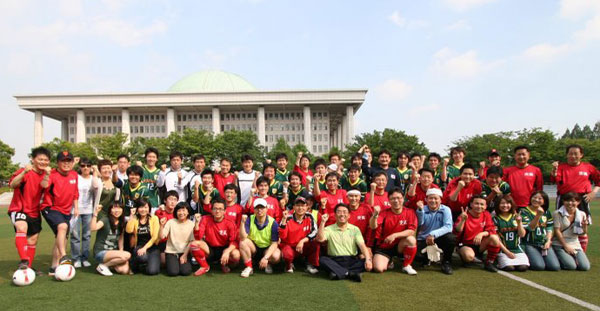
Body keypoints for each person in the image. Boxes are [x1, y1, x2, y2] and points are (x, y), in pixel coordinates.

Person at [8, 146, 52, 270]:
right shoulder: (24, 171)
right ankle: (24, 259)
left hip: (34, 211)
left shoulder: (46, 174)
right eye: (40, 159)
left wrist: (47, 175)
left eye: (46, 160)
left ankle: (28, 267)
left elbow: (44, 185)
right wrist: (23, 173)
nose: (43, 162)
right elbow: (13, 184)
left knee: (33, 240)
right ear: (33, 159)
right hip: (19, 208)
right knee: (22, 227)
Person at [551, 144, 599, 252]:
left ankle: (581, 252)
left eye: (576, 153)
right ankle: (562, 249)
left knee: (582, 224)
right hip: (564, 198)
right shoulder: (561, 167)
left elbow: (598, 181)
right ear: (567, 155)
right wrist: (554, 170)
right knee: (561, 224)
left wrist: (593, 192)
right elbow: (554, 179)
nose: (573, 156)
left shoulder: (588, 167)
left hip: (582, 198)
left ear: (581, 155)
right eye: (570, 153)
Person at [41, 151, 79, 275]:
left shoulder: (74, 175)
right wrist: (46, 175)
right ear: (57, 163)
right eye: (63, 161)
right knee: (62, 227)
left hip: (66, 211)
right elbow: (44, 185)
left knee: (62, 238)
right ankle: (63, 256)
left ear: (72, 163)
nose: (66, 163)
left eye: (69, 161)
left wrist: (76, 207)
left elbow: (75, 193)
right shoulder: (51, 174)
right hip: (51, 208)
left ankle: (54, 266)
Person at [317, 204, 373, 282]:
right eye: (339, 212)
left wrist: (368, 260)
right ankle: (349, 273)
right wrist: (323, 222)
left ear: (349, 215)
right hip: (335, 260)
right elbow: (320, 239)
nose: (342, 214)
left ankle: (337, 273)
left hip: (351, 260)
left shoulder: (355, 229)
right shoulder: (328, 229)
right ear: (335, 215)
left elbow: (362, 245)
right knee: (322, 260)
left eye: (344, 212)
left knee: (366, 260)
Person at [370, 188, 418, 275]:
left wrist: (395, 235)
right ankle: (389, 261)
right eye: (393, 198)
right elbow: (373, 226)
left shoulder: (410, 212)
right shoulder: (384, 213)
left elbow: (411, 231)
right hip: (385, 246)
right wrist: (374, 215)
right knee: (378, 268)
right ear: (389, 200)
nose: (396, 201)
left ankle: (406, 265)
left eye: (399, 198)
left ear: (403, 199)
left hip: (400, 245)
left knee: (411, 240)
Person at [190, 198, 240, 275]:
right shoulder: (205, 219)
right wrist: (196, 223)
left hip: (224, 248)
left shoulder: (230, 222)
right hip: (210, 249)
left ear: (225, 211)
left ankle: (224, 264)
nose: (217, 211)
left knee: (236, 255)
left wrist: (227, 251)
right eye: (215, 209)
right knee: (194, 244)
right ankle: (204, 266)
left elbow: (234, 241)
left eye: (220, 209)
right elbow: (198, 237)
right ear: (211, 210)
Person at [453, 195, 501, 272]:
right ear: (471, 204)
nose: (479, 206)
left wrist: (481, 234)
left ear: (485, 206)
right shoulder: (465, 215)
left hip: (480, 243)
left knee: (495, 238)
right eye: (476, 203)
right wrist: (462, 220)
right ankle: (467, 257)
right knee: (468, 257)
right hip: (465, 244)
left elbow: (492, 230)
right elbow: (457, 230)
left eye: (482, 204)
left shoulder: (486, 214)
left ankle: (489, 262)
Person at [415, 188, 455, 275]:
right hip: (424, 239)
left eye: (436, 198)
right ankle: (427, 259)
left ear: (440, 200)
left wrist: (433, 234)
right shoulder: (422, 209)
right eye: (430, 198)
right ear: (426, 199)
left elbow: (448, 227)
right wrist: (420, 211)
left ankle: (446, 262)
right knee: (417, 257)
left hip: (439, 238)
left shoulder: (446, 210)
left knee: (451, 238)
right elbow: (419, 224)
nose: (433, 200)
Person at [239, 198, 282, 277]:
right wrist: (242, 223)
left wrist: (266, 258)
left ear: (266, 209)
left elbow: (274, 244)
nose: (259, 210)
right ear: (254, 209)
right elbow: (242, 237)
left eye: (262, 208)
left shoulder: (273, 222)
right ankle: (249, 267)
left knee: (276, 256)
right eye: (257, 208)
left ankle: (268, 263)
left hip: (267, 248)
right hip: (254, 247)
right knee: (243, 242)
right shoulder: (250, 219)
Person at [519, 191, 560, 271]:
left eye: (540, 198)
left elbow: (549, 227)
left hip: (543, 243)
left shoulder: (546, 212)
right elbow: (530, 228)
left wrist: (548, 241)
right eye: (534, 197)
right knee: (539, 266)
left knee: (555, 267)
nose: (536, 200)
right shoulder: (524, 211)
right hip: (529, 243)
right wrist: (538, 215)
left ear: (544, 201)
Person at [279, 197, 319, 274]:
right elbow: (282, 236)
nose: (300, 208)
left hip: (303, 245)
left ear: (307, 207)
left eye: (303, 205)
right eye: (298, 205)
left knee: (315, 243)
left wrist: (302, 241)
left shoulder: (310, 216)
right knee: (287, 254)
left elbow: (314, 231)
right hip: (290, 245)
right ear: (294, 207)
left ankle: (309, 264)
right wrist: (284, 220)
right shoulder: (287, 218)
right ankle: (288, 265)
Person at [551, 192, 590, 271]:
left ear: (578, 202)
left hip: (574, 243)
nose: (570, 203)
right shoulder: (557, 213)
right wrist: (566, 246)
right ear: (563, 201)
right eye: (567, 201)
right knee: (571, 266)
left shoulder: (582, 214)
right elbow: (557, 231)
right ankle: (556, 255)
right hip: (559, 243)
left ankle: (568, 257)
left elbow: (582, 233)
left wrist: (584, 226)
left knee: (585, 267)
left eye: (573, 201)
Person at [91, 202, 131, 276]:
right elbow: (93, 228)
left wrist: (121, 251)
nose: (116, 210)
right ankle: (103, 266)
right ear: (110, 210)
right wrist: (95, 214)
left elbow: (121, 238)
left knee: (124, 270)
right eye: (114, 208)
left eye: (119, 208)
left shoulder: (121, 222)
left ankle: (108, 264)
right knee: (127, 255)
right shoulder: (105, 220)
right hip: (101, 252)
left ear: (122, 210)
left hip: (113, 252)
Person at [71, 157, 97, 268]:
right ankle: (76, 258)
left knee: (86, 235)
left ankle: (85, 258)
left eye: (88, 165)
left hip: (88, 210)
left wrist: (95, 170)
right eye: (83, 166)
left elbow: (97, 185)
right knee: (75, 235)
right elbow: (68, 173)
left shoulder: (93, 178)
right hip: (75, 210)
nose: (85, 168)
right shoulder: (76, 177)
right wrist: (74, 163)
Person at [492, 196, 529, 272]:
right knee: (509, 268)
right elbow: (497, 239)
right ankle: (497, 260)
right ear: (498, 205)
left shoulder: (516, 217)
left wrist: (519, 223)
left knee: (523, 268)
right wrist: (507, 252)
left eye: (508, 203)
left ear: (512, 204)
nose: (505, 205)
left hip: (517, 249)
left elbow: (522, 235)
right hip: (502, 250)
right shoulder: (495, 219)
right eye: (502, 203)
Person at [126, 199, 160, 275]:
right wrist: (131, 215)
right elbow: (129, 230)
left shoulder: (154, 218)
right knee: (143, 257)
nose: (143, 210)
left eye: (145, 207)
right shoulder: (135, 218)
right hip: (139, 246)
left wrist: (145, 248)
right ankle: (134, 262)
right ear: (137, 208)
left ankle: (144, 266)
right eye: (141, 207)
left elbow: (155, 237)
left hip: (153, 247)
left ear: (149, 208)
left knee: (152, 271)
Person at [160, 202, 195, 276]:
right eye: (179, 210)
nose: (181, 213)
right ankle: (171, 263)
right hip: (171, 252)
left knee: (185, 272)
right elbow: (162, 236)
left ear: (188, 212)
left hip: (185, 252)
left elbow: (191, 241)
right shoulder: (171, 222)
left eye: (183, 210)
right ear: (176, 212)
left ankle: (180, 263)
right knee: (173, 272)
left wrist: (185, 255)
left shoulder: (191, 224)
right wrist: (161, 226)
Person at [155, 190, 179, 265]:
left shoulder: (178, 213)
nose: (172, 202)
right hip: (163, 242)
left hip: (175, 241)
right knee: (164, 262)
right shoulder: (159, 212)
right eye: (170, 199)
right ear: (165, 200)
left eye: (175, 200)